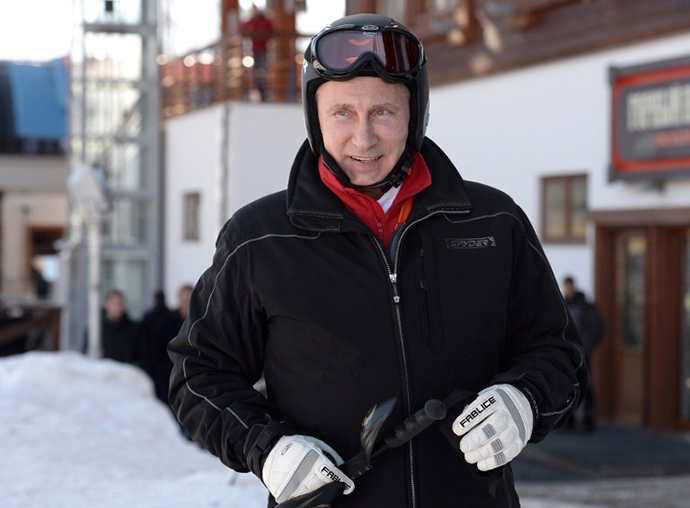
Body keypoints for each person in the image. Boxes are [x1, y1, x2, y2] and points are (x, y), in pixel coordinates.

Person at [169, 13, 588, 507]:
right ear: (314, 118)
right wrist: (268, 448)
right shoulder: (258, 238)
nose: (363, 139)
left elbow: (558, 352)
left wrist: (527, 400)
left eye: (384, 112)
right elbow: (198, 374)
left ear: (416, 114)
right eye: (342, 112)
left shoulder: (493, 223)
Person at [563, 276, 604, 432]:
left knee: (586, 386)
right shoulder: (562, 305)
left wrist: (587, 347)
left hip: (583, 353)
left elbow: (597, 328)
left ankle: (588, 420)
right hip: (568, 354)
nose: (568, 289)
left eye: (570, 286)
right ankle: (568, 421)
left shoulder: (585, 306)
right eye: (566, 287)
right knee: (569, 386)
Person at [149, 285, 193, 405]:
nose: (187, 304)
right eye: (184, 300)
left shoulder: (203, 324)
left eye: (190, 300)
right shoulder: (165, 323)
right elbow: (156, 352)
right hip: (169, 377)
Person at [101, 289, 143, 366]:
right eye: (113, 303)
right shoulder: (97, 329)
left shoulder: (133, 329)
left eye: (119, 304)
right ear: (106, 304)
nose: (116, 307)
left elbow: (141, 355)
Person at [240, 6, 274, 101]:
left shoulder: (265, 21)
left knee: (263, 72)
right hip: (254, 51)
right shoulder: (251, 21)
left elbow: (270, 31)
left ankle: (265, 95)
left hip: (264, 51)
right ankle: (256, 93)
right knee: (255, 73)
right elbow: (242, 27)